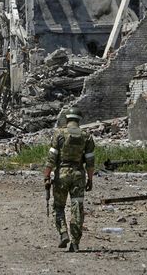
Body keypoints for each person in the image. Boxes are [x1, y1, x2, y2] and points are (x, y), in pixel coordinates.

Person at [43, 107, 95, 252]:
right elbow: (90, 162)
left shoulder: (59, 134)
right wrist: (90, 179)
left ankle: (63, 233)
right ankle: (75, 242)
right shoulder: (86, 136)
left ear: (67, 119)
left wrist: (46, 176)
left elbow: (51, 159)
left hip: (62, 175)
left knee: (58, 206)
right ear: (79, 120)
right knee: (77, 207)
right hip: (78, 175)